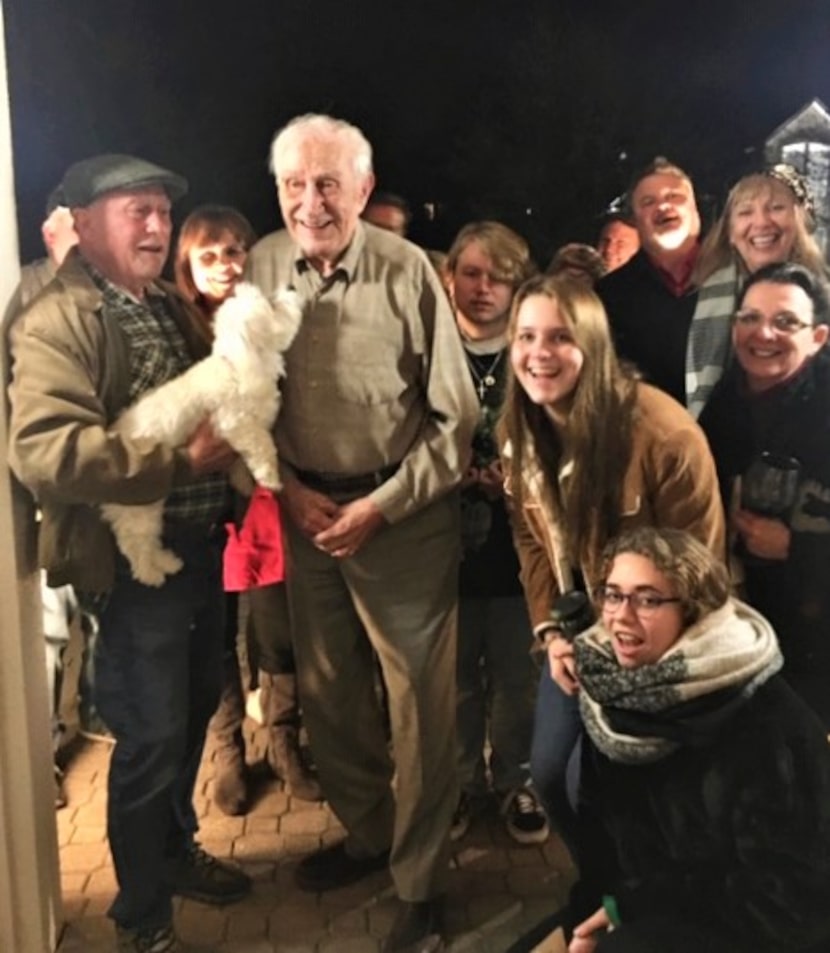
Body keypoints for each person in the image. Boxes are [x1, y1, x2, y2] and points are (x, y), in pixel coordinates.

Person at [7, 154, 251, 953]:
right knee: (148, 742)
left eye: (161, 212)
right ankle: (141, 919)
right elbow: (46, 452)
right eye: (134, 211)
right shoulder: (62, 316)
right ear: (81, 224)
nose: (156, 226)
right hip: (137, 569)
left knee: (185, 725)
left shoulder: (160, 303)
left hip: (200, 549)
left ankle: (174, 853)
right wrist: (181, 462)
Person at [246, 114, 478, 953]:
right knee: (329, 689)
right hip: (305, 513)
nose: (311, 202)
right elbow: (242, 398)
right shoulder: (263, 264)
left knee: (419, 705)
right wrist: (285, 486)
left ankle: (419, 881)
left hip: (400, 518)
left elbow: (458, 420)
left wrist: (382, 505)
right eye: (295, 185)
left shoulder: (410, 270)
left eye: (329, 184)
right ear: (277, 190)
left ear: (364, 189)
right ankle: (371, 831)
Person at [500, 273, 724, 855]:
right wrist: (551, 631)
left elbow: (700, 575)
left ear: (593, 346)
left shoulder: (665, 436)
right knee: (551, 776)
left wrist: (640, 666)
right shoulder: (518, 429)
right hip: (578, 635)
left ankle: (640, 900)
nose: (538, 354)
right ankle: (600, 887)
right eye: (525, 336)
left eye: (559, 337)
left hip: (659, 645)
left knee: (621, 788)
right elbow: (530, 540)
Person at [567, 526, 830, 953]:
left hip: (754, 928)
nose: (621, 616)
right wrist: (592, 914)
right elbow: (601, 842)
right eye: (613, 594)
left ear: (693, 611)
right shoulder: (613, 694)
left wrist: (631, 911)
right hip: (650, 906)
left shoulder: (765, 723)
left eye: (648, 599)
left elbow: (794, 896)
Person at [174, 204, 322, 815]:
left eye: (235, 251)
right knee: (212, 637)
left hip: (267, 494)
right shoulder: (177, 323)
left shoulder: (266, 317)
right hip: (202, 501)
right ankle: (228, 749)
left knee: (279, 630)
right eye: (208, 256)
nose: (225, 266)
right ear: (188, 264)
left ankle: (284, 741)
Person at [443, 221, 547, 844]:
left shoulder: (532, 347)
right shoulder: (426, 344)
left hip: (518, 541)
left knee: (517, 674)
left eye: (499, 276)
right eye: (472, 273)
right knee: (453, 679)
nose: (484, 288)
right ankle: (461, 783)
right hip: (443, 539)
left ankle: (517, 780)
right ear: (451, 274)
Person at [700, 261, 830, 728]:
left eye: (785, 322)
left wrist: (798, 547)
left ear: (818, 337)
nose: (764, 334)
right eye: (750, 318)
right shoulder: (720, 404)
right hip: (739, 622)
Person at [685, 164, 826, 417]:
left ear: (799, 220)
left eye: (776, 208)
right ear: (729, 231)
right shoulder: (692, 301)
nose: (761, 222)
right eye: (745, 212)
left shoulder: (824, 299)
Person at [596, 157, 702, 404]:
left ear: (695, 210)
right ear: (636, 220)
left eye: (674, 197)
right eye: (648, 202)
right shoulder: (609, 296)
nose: (663, 206)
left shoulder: (735, 278)